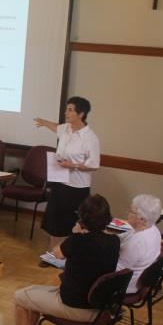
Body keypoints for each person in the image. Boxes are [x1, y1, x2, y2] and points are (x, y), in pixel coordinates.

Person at [0, 194, 119, 325]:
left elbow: (57, 252)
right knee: (32, 293)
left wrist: (75, 233)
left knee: (19, 297)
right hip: (99, 307)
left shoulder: (78, 240)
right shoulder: (114, 241)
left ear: (82, 218)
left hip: (74, 306)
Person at [34, 96, 101, 249]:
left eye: (70, 110)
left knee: (69, 223)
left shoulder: (90, 138)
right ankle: (52, 254)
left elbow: (94, 164)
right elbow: (56, 127)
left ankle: (65, 255)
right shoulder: (65, 129)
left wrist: (73, 165)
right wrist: (44, 123)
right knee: (54, 222)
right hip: (59, 183)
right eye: (66, 109)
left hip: (76, 188)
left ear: (81, 114)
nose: (66, 113)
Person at [119, 194, 163, 294]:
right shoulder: (154, 230)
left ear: (142, 219)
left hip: (126, 285)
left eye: (131, 211)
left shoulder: (137, 243)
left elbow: (119, 270)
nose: (128, 213)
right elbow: (130, 234)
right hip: (137, 277)